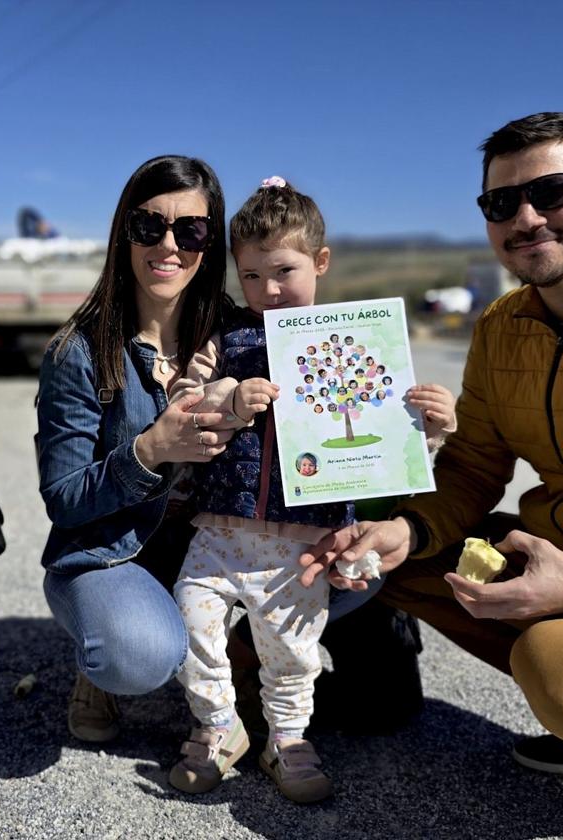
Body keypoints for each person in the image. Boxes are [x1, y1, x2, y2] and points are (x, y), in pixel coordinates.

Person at [302, 112, 563, 840]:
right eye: (501, 202)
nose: (525, 218)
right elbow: (474, 466)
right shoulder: (501, 326)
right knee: (399, 561)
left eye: (551, 192)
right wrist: (406, 529)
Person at [165, 178, 455, 802]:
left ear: (320, 262)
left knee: (291, 652)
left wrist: (429, 429)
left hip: (301, 544)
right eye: (250, 275)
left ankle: (288, 739)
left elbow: (388, 449)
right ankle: (217, 726)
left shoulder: (352, 340)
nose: (268, 290)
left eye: (284, 271)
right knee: (189, 626)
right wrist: (227, 399)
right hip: (220, 531)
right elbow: (182, 400)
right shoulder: (227, 339)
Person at [36, 155, 231, 743]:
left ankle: (237, 664)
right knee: (138, 654)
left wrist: (415, 424)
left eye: (191, 230)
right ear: (124, 234)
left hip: (216, 552)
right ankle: (103, 658)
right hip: (113, 554)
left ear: (210, 243)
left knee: (352, 573)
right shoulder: (78, 351)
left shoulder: (242, 335)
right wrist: (148, 450)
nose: (168, 245)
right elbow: (64, 498)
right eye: (149, 226)